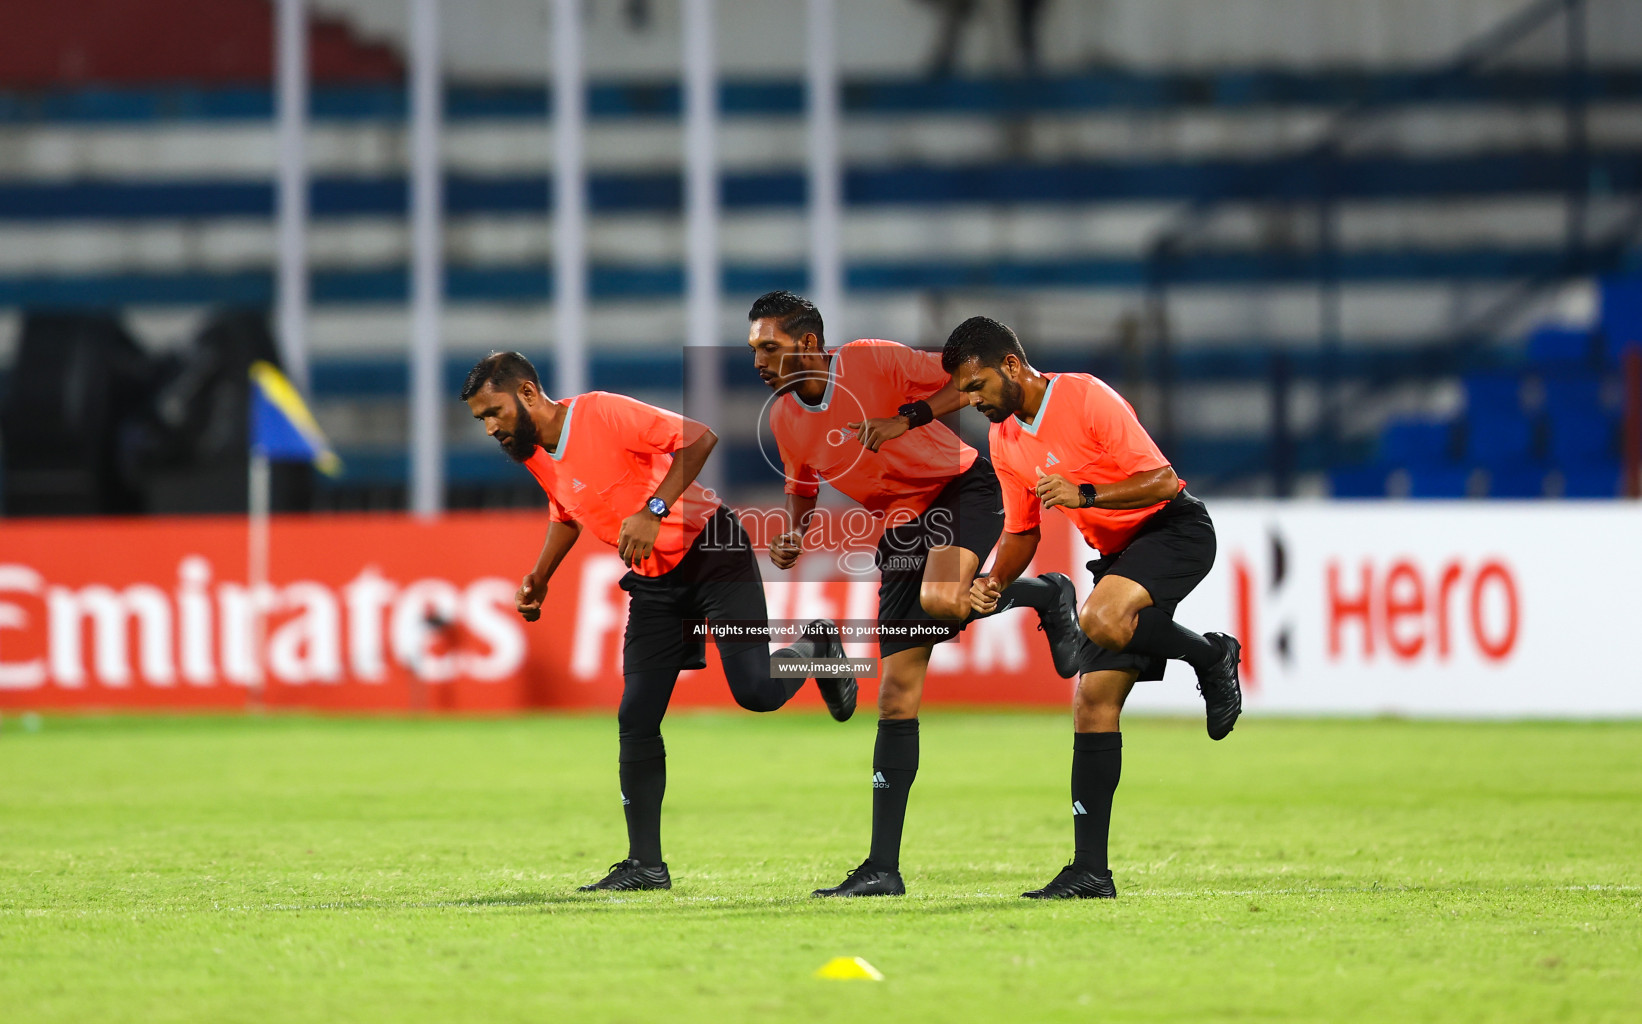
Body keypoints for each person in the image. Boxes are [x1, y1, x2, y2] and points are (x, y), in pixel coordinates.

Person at [460, 352, 856, 893]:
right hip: (654, 580)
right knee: (636, 715)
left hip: (713, 552)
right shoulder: (532, 451)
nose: (490, 428)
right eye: (482, 418)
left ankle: (817, 647)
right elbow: (565, 510)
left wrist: (655, 510)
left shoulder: (600, 413)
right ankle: (646, 865)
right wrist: (541, 575)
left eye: (493, 412)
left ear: (527, 393)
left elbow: (699, 438)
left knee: (758, 693)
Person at [745, 291, 1088, 898]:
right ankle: (882, 868)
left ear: (805, 344)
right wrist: (795, 530)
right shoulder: (783, 418)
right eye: (753, 349)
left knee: (940, 600)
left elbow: (968, 380)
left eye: (767, 347)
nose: (757, 360)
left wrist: (906, 420)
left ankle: (1044, 594)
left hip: (961, 490)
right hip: (902, 524)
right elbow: (802, 481)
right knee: (897, 695)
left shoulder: (870, 361)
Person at [940, 316, 1243, 900]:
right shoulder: (1005, 441)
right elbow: (1022, 532)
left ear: (1010, 366)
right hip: (1117, 555)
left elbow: (1160, 481)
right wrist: (994, 581)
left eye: (975, 386)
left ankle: (1210, 657)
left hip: (1173, 529)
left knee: (1099, 617)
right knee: (1092, 702)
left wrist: (1085, 496)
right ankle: (1091, 872)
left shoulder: (1083, 394)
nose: (970, 400)